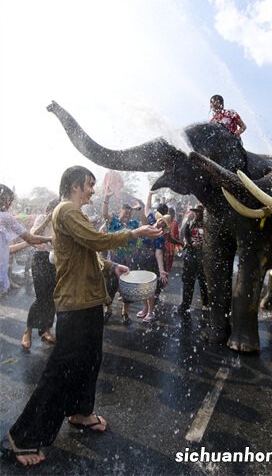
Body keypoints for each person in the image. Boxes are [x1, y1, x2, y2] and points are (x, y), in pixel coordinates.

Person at [0, 166, 162, 467]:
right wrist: (136, 232)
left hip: (88, 301)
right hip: (74, 304)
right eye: (89, 184)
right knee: (61, 369)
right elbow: (98, 241)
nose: (92, 189)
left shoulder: (75, 215)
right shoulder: (66, 211)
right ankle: (23, 435)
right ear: (75, 185)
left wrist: (111, 267)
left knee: (90, 360)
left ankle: (80, 412)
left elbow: (90, 250)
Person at [102, 189, 145, 325]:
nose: (127, 214)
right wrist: (107, 198)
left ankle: (125, 313)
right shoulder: (114, 222)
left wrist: (141, 209)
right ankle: (108, 310)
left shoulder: (133, 224)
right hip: (113, 262)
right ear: (120, 211)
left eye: (129, 212)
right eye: (125, 211)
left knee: (127, 289)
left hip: (128, 263)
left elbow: (144, 225)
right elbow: (104, 214)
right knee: (110, 287)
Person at [21, 198, 59, 351]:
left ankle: (46, 330)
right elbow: (33, 234)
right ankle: (27, 331)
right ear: (51, 209)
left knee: (52, 298)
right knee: (41, 298)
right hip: (40, 259)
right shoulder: (42, 218)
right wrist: (48, 219)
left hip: (55, 260)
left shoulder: (61, 223)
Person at [0, 185, 53, 295]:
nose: (10, 205)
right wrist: (50, 239)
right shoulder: (5, 217)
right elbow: (31, 237)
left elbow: (7, 250)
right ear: (4, 200)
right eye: (9, 201)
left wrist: (28, 243)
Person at [137, 192, 169, 322]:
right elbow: (147, 209)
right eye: (161, 219)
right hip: (142, 259)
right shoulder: (150, 221)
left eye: (164, 222)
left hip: (152, 263)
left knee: (149, 288)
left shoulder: (159, 235)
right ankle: (145, 308)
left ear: (165, 226)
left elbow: (159, 253)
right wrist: (149, 194)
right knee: (141, 286)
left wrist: (162, 271)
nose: (161, 222)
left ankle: (151, 312)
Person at [178, 204, 209, 314]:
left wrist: (203, 245)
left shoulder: (208, 225)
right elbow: (185, 237)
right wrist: (190, 243)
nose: (196, 213)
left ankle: (206, 303)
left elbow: (211, 240)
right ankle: (185, 304)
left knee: (203, 281)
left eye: (198, 212)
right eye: (195, 211)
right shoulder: (189, 223)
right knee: (188, 281)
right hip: (190, 255)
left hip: (203, 257)